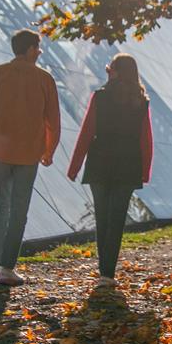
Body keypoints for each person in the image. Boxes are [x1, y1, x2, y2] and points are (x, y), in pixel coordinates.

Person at [0, 29, 60, 286]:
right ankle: (8, 268)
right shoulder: (44, 79)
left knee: (1, 204)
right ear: (32, 49)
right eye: (39, 48)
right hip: (28, 153)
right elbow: (52, 121)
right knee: (19, 210)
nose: (40, 52)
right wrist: (49, 150)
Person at [67, 54, 154, 287]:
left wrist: (75, 166)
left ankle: (104, 270)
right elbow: (146, 140)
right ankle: (107, 273)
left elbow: (87, 132)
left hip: (99, 164)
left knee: (102, 217)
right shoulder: (141, 101)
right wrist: (145, 171)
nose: (107, 74)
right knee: (116, 220)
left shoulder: (100, 97)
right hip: (128, 166)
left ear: (115, 72)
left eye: (110, 70)